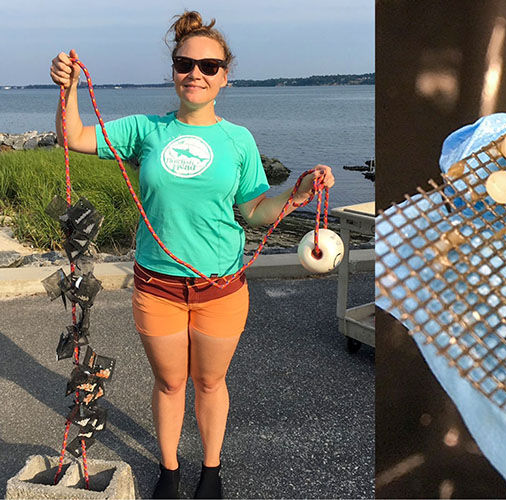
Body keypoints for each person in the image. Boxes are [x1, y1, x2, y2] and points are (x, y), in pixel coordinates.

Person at [48, 10, 334, 499]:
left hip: (220, 288)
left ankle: (211, 471)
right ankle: (170, 470)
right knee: (169, 384)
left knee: (209, 382)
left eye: (209, 66)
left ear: (225, 75)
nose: (196, 74)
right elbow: (72, 138)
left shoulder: (237, 140)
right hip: (157, 287)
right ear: (174, 70)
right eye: (186, 64)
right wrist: (68, 87)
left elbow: (254, 209)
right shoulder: (145, 130)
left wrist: (298, 195)